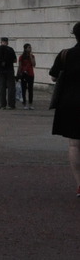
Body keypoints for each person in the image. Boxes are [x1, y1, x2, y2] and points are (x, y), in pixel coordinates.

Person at [50, 22, 80, 196]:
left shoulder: (65, 54)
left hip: (70, 102)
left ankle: (79, 184)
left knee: (74, 144)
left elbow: (54, 76)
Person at [0, 37, 17, 109]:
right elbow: (15, 60)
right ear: (7, 42)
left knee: (2, 87)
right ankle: (11, 104)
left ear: (1, 42)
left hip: (0, 71)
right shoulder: (10, 49)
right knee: (11, 88)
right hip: (9, 70)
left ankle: (3, 104)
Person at [18, 43, 36, 109]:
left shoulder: (32, 56)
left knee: (30, 90)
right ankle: (24, 103)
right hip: (24, 74)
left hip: (31, 74)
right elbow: (20, 66)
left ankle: (30, 104)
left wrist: (31, 56)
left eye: (30, 47)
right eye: (29, 47)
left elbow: (34, 64)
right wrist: (19, 74)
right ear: (25, 48)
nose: (30, 49)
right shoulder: (21, 57)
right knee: (23, 89)